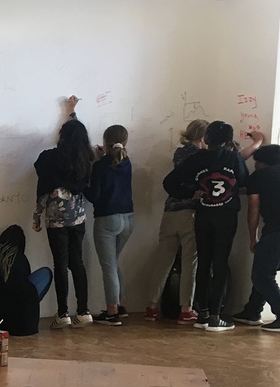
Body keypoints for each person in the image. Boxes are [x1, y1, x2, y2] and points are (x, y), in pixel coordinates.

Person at [163, 120, 249, 332]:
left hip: (203, 214)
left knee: (203, 262)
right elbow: (245, 182)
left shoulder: (197, 158)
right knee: (220, 262)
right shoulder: (234, 158)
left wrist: (191, 193)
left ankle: (201, 313)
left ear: (207, 138)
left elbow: (169, 183)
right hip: (226, 216)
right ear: (228, 140)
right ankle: (215, 316)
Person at [230, 143, 280, 333]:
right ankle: (252, 311)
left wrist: (252, 238)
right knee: (266, 272)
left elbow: (253, 208)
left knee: (262, 275)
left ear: (261, 163)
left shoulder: (260, 176)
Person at [33, 96, 93, 330]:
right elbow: (77, 136)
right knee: (77, 262)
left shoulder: (49, 158)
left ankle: (63, 313)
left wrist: (36, 217)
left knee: (60, 264)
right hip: (78, 218)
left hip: (56, 221)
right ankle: (84, 311)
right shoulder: (86, 159)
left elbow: (42, 187)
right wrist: (71, 112)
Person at [144, 119, 206, 325]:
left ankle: (151, 307)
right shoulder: (202, 157)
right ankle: (186, 309)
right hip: (190, 211)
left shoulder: (179, 154)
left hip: (170, 211)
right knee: (190, 262)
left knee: (163, 261)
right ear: (203, 137)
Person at [84, 124, 134, 326]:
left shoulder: (100, 166)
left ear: (105, 141)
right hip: (129, 218)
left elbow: (94, 196)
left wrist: (82, 185)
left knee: (109, 267)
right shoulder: (127, 162)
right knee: (113, 263)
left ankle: (112, 311)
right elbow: (112, 162)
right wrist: (103, 157)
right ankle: (120, 306)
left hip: (107, 220)